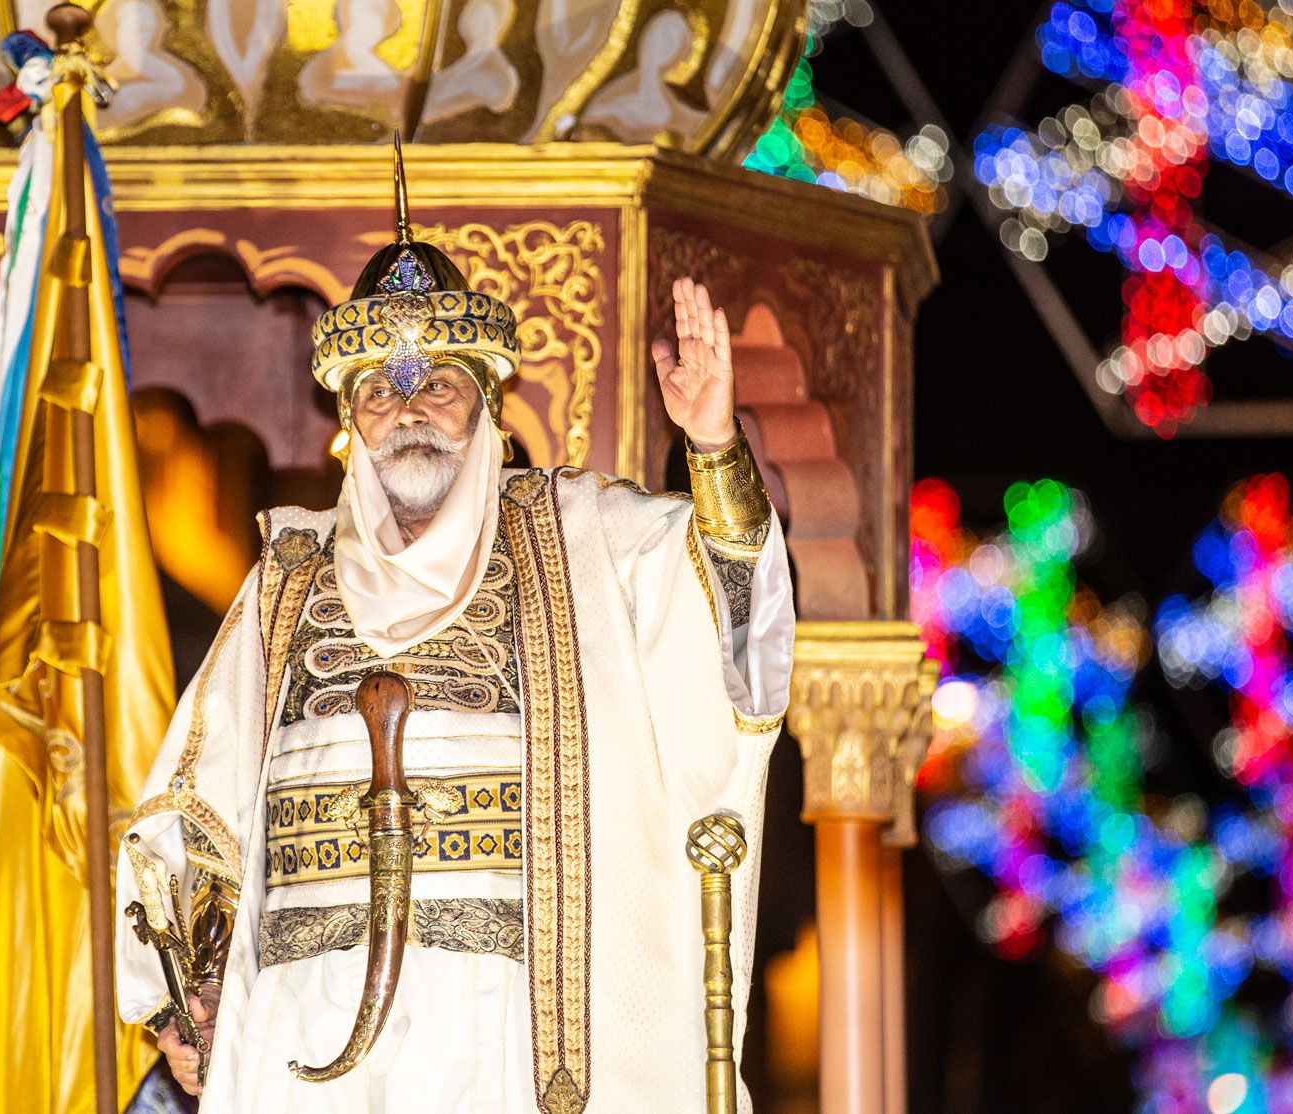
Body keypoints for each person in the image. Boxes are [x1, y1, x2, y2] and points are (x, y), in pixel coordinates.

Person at [115, 146, 794, 1114]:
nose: (410, 413)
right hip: (307, 1023)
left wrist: (716, 447)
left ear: (487, 404)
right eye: (383, 393)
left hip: (514, 1025)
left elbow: (733, 626)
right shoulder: (286, 578)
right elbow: (192, 807)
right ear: (350, 417)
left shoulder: (587, 534)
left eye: (439, 384)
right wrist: (179, 998)